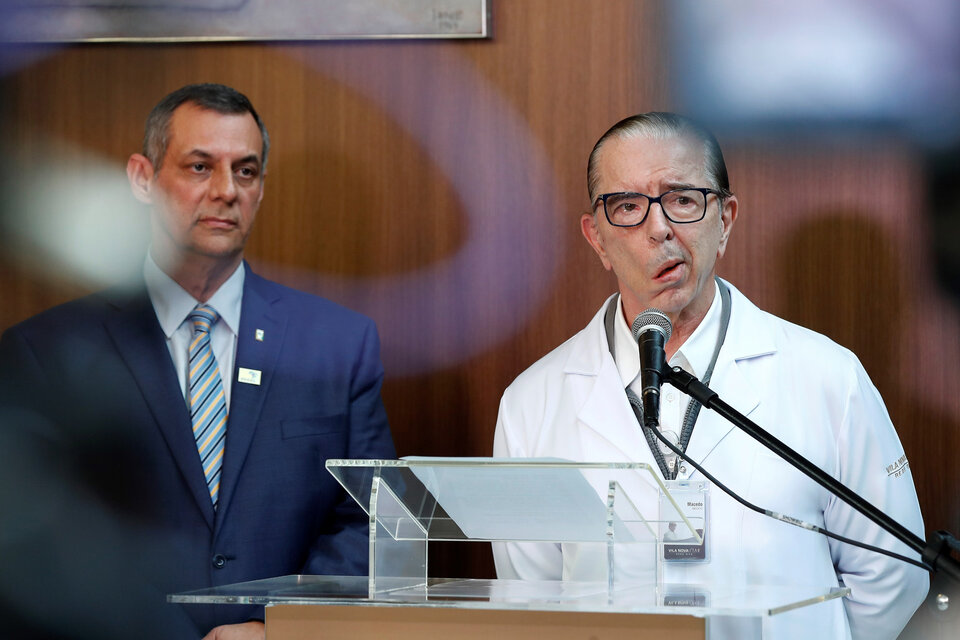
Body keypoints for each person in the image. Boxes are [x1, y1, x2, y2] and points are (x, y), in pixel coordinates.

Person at [492, 113, 929, 639]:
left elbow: (893, 573)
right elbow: (535, 599)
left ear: (725, 219)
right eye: (627, 206)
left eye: (682, 198)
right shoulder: (532, 402)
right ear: (597, 239)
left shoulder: (827, 377)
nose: (659, 228)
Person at [0, 83, 396, 639]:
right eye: (199, 167)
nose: (226, 190)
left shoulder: (338, 344)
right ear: (142, 178)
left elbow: (374, 525)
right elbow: (33, 539)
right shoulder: (46, 353)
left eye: (247, 171)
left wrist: (274, 627)